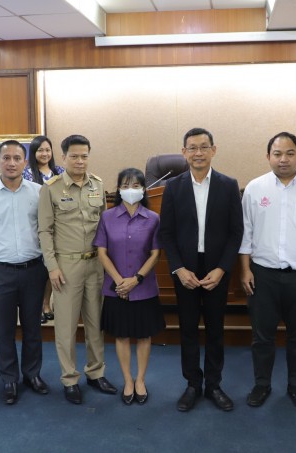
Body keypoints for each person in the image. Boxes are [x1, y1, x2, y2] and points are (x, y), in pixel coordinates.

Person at [239, 133, 296, 410]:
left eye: (290, 153)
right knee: (262, 337)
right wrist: (244, 270)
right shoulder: (254, 189)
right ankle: (261, 385)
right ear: (268, 156)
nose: (283, 159)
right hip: (262, 275)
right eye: (277, 153)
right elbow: (245, 233)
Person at [158, 127, 244, 412]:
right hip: (186, 269)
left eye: (204, 147)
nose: (198, 153)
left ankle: (214, 384)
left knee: (215, 329)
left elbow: (236, 232)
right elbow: (166, 233)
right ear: (184, 152)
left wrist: (222, 269)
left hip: (216, 269)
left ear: (213, 150)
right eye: (192, 148)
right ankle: (193, 384)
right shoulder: (173, 187)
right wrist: (178, 268)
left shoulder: (228, 185)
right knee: (188, 329)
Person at [38, 134, 116, 404]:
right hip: (66, 266)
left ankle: (96, 372)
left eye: (84, 156)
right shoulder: (51, 189)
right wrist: (52, 267)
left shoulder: (98, 185)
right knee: (66, 327)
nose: (80, 161)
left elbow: (104, 226)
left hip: (95, 264)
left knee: (96, 323)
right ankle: (70, 378)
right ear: (63, 157)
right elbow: (44, 231)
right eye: (74, 156)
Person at [0, 140, 49, 405]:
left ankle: (32, 374)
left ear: (25, 162)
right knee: (4, 330)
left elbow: (47, 232)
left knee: (33, 328)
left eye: (17, 158)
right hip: (0, 272)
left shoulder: (39, 192)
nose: (11, 163)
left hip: (34, 270)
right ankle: (9, 379)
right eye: (6, 158)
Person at [93, 168, 164, 405]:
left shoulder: (153, 218)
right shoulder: (107, 217)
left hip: (144, 288)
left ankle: (140, 379)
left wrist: (136, 279)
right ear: (118, 189)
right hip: (116, 288)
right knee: (121, 335)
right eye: (125, 185)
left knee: (144, 336)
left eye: (135, 185)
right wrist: (119, 281)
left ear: (143, 189)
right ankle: (127, 380)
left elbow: (155, 254)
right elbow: (101, 252)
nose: (130, 190)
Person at [23, 135, 64, 324]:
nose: (45, 153)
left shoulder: (60, 172)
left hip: (58, 227)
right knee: (37, 271)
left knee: (51, 267)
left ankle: (47, 303)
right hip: (34, 226)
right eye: (40, 150)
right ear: (33, 152)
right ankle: (37, 306)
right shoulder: (27, 173)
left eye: (47, 150)